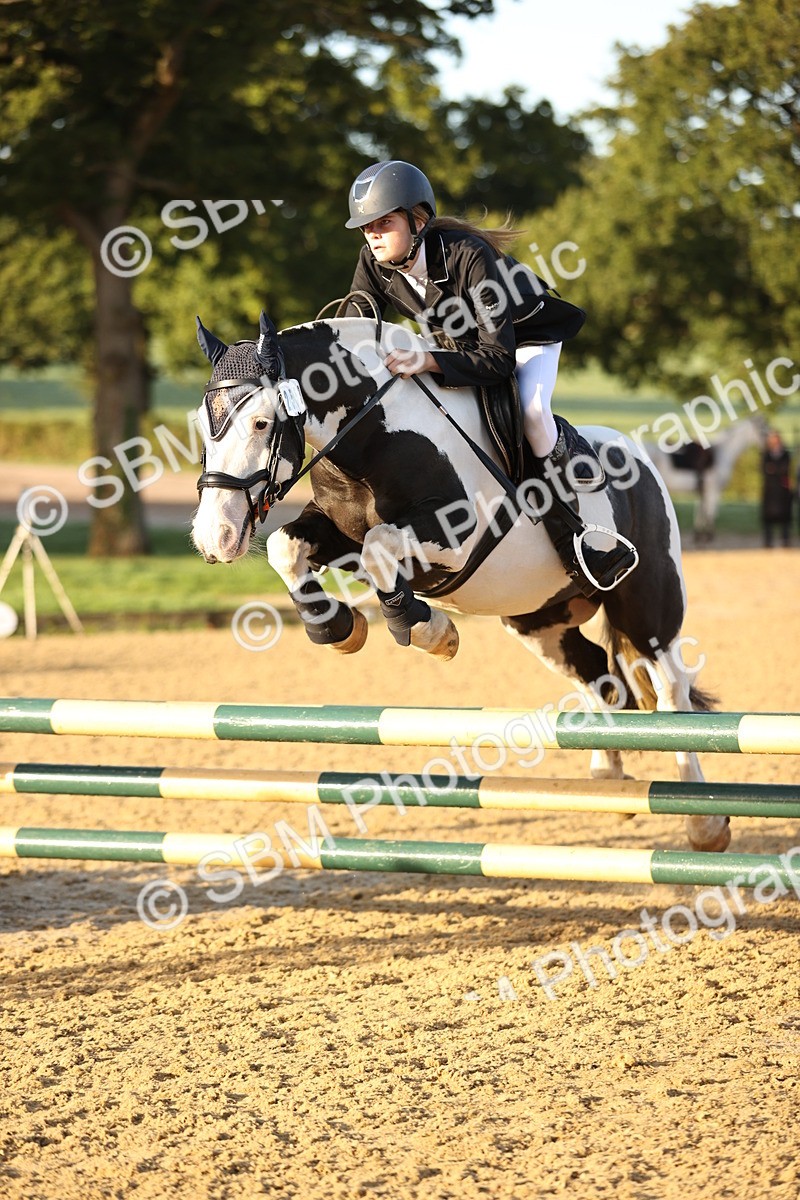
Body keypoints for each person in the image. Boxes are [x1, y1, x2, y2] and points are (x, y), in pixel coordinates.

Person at [342, 159, 636, 595]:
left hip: (525, 338)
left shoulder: (468, 254)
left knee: (531, 414)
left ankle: (576, 539)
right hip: (460, 342)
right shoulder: (374, 261)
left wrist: (428, 360)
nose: (373, 235)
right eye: (367, 227)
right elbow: (354, 328)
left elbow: (498, 359)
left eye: (384, 223)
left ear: (417, 221)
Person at [761, 429, 793, 548]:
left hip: (782, 490)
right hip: (770, 490)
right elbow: (764, 469)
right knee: (768, 517)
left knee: (785, 516)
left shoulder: (785, 454)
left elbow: (784, 469)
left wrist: (773, 469)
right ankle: (768, 541)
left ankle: (785, 539)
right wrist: (775, 469)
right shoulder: (766, 454)